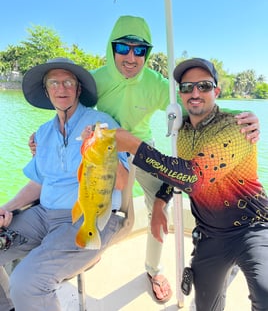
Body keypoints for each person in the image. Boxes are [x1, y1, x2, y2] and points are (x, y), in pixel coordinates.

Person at [29, 15, 260, 303]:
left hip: (144, 151)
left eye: (139, 50)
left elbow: (196, 103)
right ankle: (86, 251)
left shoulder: (156, 83)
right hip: (107, 151)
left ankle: (153, 269)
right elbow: (68, 111)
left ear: (147, 54)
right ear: (111, 48)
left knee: (158, 212)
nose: (130, 57)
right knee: (98, 206)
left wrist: (241, 119)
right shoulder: (96, 81)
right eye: (123, 48)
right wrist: (40, 139)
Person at [113, 58, 268, 310]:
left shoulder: (236, 126)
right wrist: (161, 203)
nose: (195, 93)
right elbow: (177, 173)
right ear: (180, 95)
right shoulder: (182, 133)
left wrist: (134, 146)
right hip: (209, 235)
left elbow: (194, 177)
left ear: (216, 91)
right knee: (205, 305)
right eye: (187, 88)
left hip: (251, 228)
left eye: (204, 86)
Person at [0, 57, 129, 311]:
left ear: (78, 89)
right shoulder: (43, 133)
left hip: (89, 218)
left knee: (26, 282)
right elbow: (38, 182)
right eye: (54, 83)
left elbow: (122, 183)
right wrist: (6, 207)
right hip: (42, 216)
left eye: (69, 82)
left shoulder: (102, 124)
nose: (62, 88)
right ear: (47, 92)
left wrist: (101, 149)